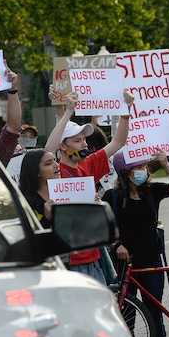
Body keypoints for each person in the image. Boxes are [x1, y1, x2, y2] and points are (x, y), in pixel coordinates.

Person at [103, 147, 169, 337]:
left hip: (151, 261)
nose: (141, 171)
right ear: (124, 172)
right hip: (125, 263)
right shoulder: (113, 196)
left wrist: (167, 164)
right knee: (127, 315)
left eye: (143, 167)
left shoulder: (152, 191)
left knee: (154, 314)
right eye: (136, 168)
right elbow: (106, 226)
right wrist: (117, 244)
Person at [43, 88, 134, 283]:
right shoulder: (55, 170)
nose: (84, 144)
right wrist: (67, 111)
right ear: (63, 146)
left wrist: (126, 112)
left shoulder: (88, 164)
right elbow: (48, 149)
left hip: (94, 256)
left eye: (84, 139)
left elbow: (118, 142)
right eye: (77, 140)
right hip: (70, 260)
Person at [18, 148, 60, 229]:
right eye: (48, 163)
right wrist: (47, 217)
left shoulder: (68, 192)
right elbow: (32, 235)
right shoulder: (26, 202)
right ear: (36, 171)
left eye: (55, 160)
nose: (57, 165)